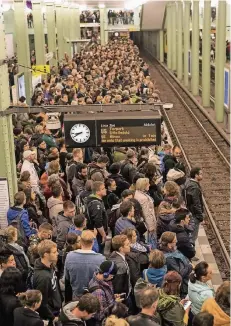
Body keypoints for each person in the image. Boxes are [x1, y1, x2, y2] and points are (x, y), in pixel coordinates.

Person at [64, 230, 105, 301]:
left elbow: (67, 277)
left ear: (80, 242)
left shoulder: (70, 256)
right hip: (94, 297)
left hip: (76, 295)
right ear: (92, 242)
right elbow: (103, 280)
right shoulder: (101, 258)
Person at [33, 240, 62, 325]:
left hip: (56, 307)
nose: (57, 253)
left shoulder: (50, 265)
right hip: (50, 315)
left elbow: (55, 285)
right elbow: (42, 302)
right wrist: (52, 317)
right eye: (54, 252)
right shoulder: (43, 277)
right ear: (46, 254)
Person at [159, 231, 193, 297]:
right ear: (169, 244)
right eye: (174, 241)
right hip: (181, 286)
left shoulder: (172, 250)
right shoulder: (169, 259)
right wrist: (190, 266)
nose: (176, 242)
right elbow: (179, 274)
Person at [88, 260, 118, 324]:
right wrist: (115, 303)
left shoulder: (96, 279)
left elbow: (104, 300)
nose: (112, 278)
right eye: (112, 276)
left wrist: (113, 297)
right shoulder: (98, 292)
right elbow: (99, 315)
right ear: (106, 274)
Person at [85, 181, 108, 251]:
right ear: (97, 192)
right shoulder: (96, 204)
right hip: (97, 234)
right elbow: (98, 222)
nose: (105, 189)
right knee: (99, 251)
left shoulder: (94, 199)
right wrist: (103, 235)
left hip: (96, 233)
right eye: (103, 189)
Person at [185, 167, 204, 249]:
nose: (202, 175)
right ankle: (191, 253)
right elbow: (197, 203)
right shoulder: (195, 187)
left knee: (191, 234)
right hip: (194, 214)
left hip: (190, 212)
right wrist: (200, 216)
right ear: (196, 175)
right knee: (193, 236)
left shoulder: (189, 182)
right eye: (201, 174)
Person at [108, 235, 131, 300]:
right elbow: (118, 287)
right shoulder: (121, 265)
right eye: (127, 244)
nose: (130, 246)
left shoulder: (113, 255)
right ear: (121, 248)